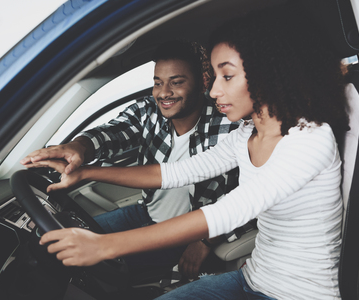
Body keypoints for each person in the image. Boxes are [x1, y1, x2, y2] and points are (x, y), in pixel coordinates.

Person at [33, 5, 349, 299]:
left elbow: (229, 211)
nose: (214, 91)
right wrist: (86, 171)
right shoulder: (247, 133)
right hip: (252, 279)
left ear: (267, 72)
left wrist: (105, 246)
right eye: (215, 77)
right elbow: (177, 172)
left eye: (227, 76)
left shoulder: (310, 139)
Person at [21, 40, 241, 277]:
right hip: (145, 213)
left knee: (96, 271)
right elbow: (112, 133)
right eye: (158, 83)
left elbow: (242, 198)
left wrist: (204, 241)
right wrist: (78, 148)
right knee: (55, 244)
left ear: (202, 83)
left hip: (189, 234)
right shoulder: (149, 111)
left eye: (176, 83)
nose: (164, 92)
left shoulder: (228, 126)